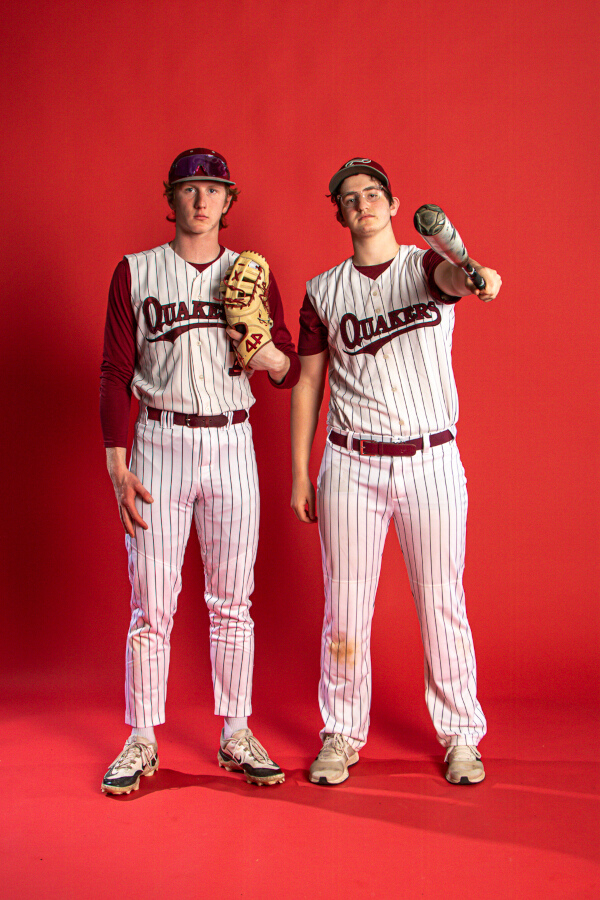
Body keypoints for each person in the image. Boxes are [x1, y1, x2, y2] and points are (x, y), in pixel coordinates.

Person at [290, 157, 501, 786]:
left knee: (442, 602)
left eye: (373, 193)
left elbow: (453, 278)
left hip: (430, 460)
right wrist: (300, 472)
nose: (363, 204)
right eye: (350, 198)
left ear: (393, 203)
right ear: (340, 214)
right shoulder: (322, 290)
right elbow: (308, 383)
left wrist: (475, 274)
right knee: (345, 606)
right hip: (351, 463)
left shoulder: (422, 266)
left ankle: (461, 735)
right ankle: (341, 731)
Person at [100, 147, 299, 793]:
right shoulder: (135, 271)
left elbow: (289, 369)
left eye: (214, 188)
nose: (202, 199)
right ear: (171, 198)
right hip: (158, 441)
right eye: (190, 188)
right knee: (150, 604)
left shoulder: (250, 273)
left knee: (233, 601)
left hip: (232, 442)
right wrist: (117, 463)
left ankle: (236, 731)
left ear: (228, 200)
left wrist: (269, 355)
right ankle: (141, 737)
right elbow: (114, 371)